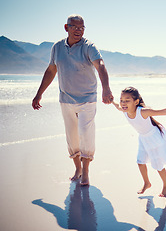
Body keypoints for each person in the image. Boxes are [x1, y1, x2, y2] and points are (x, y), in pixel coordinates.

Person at [32, 14, 113, 186]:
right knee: (72, 137)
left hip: (87, 99)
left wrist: (106, 88)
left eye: (82, 27)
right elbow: (51, 71)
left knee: (86, 134)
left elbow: (101, 65)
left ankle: (86, 172)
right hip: (66, 99)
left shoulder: (89, 46)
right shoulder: (57, 47)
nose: (79, 30)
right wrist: (39, 93)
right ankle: (78, 168)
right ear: (66, 27)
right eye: (75, 26)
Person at [112, 87, 166, 197]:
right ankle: (147, 183)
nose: (123, 103)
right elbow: (117, 106)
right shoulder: (124, 110)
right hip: (143, 138)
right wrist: (111, 99)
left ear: (136, 102)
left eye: (127, 100)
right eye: (121, 100)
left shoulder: (142, 112)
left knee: (158, 164)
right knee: (140, 161)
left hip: (154, 138)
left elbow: (163, 112)